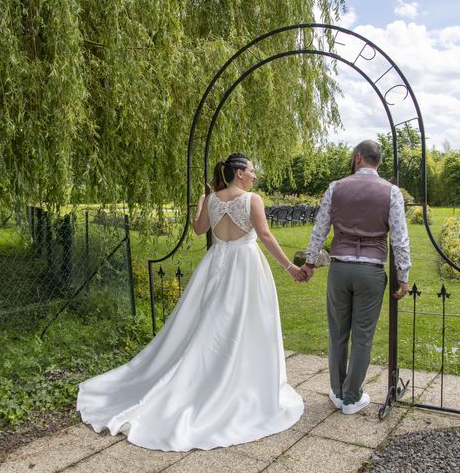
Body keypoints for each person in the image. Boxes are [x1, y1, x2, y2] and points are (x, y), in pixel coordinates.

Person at [77, 153, 306, 451]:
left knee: (213, 321)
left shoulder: (211, 199)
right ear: (238, 173)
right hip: (244, 266)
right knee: (242, 322)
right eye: (251, 170)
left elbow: (200, 230)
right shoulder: (252, 199)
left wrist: (201, 205)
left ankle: (225, 370)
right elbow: (264, 234)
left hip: (216, 263)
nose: (254, 175)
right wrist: (290, 267)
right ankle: (236, 379)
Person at [300, 140, 411, 415]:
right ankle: (351, 398)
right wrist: (404, 276)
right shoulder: (391, 192)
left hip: (340, 269)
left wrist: (311, 262)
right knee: (362, 336)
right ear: (378, 162)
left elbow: (320, 229)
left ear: (357, 157)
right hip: (371, 270)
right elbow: (400, 238)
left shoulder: (336, 187)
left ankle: (337, 392)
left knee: (337, 333)